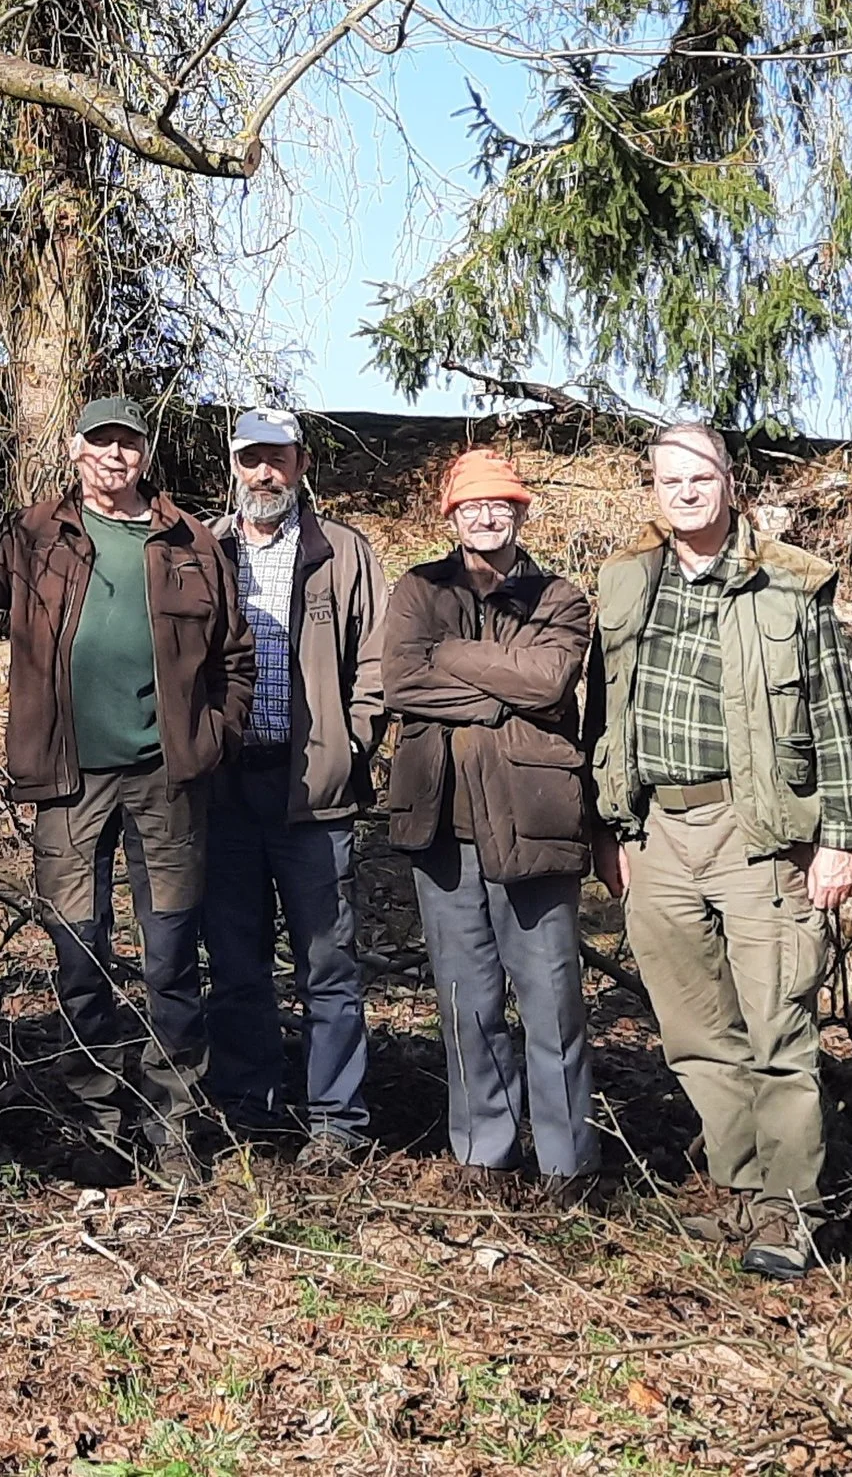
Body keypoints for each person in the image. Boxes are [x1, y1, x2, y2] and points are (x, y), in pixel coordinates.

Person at [586, 423, 852, 1279]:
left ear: (730, 483)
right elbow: (602, 711)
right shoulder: (626, 581)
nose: (685, 492)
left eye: (699, 477)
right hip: (657, 834)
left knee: (778, 1028)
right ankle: (742, 1190)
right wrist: (609, 828)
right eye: (669, 480)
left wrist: (840, 838)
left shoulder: (790, 581)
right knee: (696, 1035)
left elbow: (835, 716)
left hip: (758, 834)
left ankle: (791, 1212)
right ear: (652, 490)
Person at [3, 395, 256, 1175]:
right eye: (101, 442)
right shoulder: (34, 534)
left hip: (166, 779)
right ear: (74, 450)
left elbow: (235, 657)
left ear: (145, 453)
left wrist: (211, 739)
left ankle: (175, 1120)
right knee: (78, 956)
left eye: (128, 443)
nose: (115, 456)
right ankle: (100, 1119)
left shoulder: (188, 541)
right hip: (67, 779)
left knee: (170, 957)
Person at [381, 449, 605, 1200]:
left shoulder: (559, 597)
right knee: (465, 998)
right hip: (441, 823)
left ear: (521, 511)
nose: (486, 516)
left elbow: (549, 681)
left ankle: (568, 1166)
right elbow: (402, 681)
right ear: (451, 515)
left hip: (533, 817)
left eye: (500, 504)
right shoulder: (419, 588)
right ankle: (484, 1155)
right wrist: (500, 691)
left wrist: (450, 656)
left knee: (551, 999)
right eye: (471, 505)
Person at [202, 408, 387, 1165]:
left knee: (328, 965)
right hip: (224, 790)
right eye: (251, 458)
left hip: (313, 789)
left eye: (277, 457)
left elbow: (377, 660)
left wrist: (354, 742)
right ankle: (249, 1111)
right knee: (235, 961)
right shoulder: (203, 549)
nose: (264, 472)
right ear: (234, 465)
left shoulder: (342, 551)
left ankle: (337, 1122)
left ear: (301, 464)